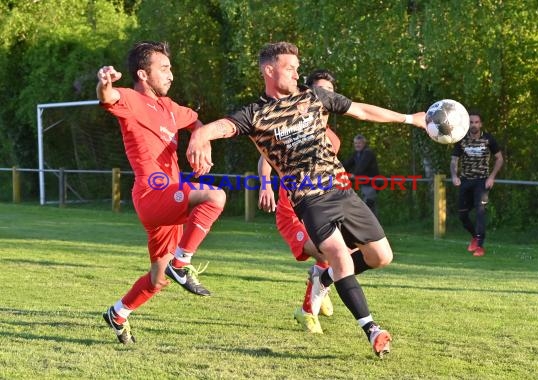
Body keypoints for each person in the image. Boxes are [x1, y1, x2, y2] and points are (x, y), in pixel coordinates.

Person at [187, 41, 426, 357]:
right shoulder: (255, 114)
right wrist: (199, 136)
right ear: (269, 70)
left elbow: (362, 110)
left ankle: (322, 279)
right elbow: (218, 127)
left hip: (342, 191)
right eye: (290, 68)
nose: (296, 73)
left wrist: (410, 118)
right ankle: (372, 330)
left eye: (298, 68)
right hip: (310, 201)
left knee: (381, 257)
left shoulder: (316, 97)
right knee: (340, 256)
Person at [96, 41, 226, 344]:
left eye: (171, 69)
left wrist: (201, 141)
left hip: (170, 200)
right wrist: (103, 82)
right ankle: (183, 262)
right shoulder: (130, 99)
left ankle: (118, 313)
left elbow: (196, 122)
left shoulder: (169, 108)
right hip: (152, 194)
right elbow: (108, 96)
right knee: (215, 196)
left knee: (157, 279)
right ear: (143, 74)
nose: (171, 75)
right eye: (164, 69)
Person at [258, 69, 349, 334]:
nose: (323, 95)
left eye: (328, 92)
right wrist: (266, 185)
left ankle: (317, 291)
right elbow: (265, 157)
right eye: (318, 90)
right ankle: (308, 308)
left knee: (340, 255)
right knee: (330, 256)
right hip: (292, 213)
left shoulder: (332, 138)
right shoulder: (291, 125)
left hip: (321, 210)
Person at [450, 110, 503, 257]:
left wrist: (491, 177)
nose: (473, 125)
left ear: (481, 124)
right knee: (462, 215)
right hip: (465, 181)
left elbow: (499, 158)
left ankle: (480, 246)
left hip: (482, 181)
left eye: (476, 122)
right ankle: (474, 236)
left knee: (480, 211)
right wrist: (454, 176)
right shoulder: (461, 139)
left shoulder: (488, 139)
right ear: (467, 124)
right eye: (471, 122)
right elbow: (454, 160)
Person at [343, 134, 380, 216]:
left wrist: (354, 175)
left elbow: (361, 167)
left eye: (359, 143)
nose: (357, 145)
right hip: (364, 183)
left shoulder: (368, 153)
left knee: (367, 205)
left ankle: (371, 225)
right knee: (369, 206)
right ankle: (374, 226)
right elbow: (347, 163)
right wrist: (338, 169)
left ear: (364, 143)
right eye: (355, 143)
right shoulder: (356, 153)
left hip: (371, 183)